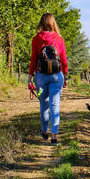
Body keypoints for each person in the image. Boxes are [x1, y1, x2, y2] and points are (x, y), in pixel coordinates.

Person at [28, 13, 68, 144]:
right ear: (53, 23)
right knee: (55, 104)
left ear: (42, 23)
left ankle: (45, 131)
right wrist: (65, 75)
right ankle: (54, 136)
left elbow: (34, 59)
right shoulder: (59, 39)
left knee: (43, 104)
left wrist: (30, 77)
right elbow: (63, 59)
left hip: (41, 77)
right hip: (57, 76)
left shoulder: (36, 39)